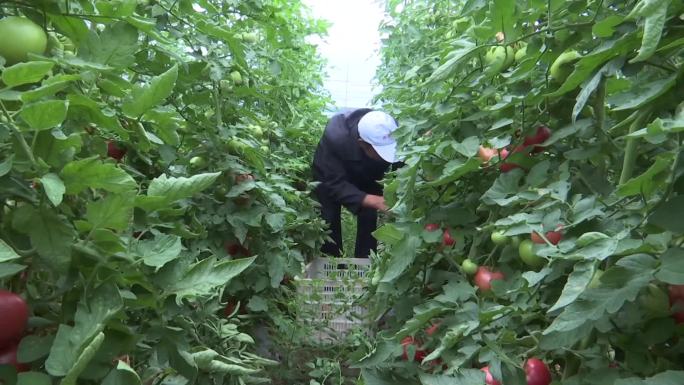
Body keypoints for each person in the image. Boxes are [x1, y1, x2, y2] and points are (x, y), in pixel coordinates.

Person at [312, 108, 402, 258]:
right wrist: (372, 200)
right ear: (363, 144)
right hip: (330, 173)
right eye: (381, 152)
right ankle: (331, 262)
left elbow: (401, 163)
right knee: (328, 217)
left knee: (369, 214)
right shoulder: (336, 137)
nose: (387, 158)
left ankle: (367, 263)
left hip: (369, 170)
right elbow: (332, 183)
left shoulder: (388, 129)